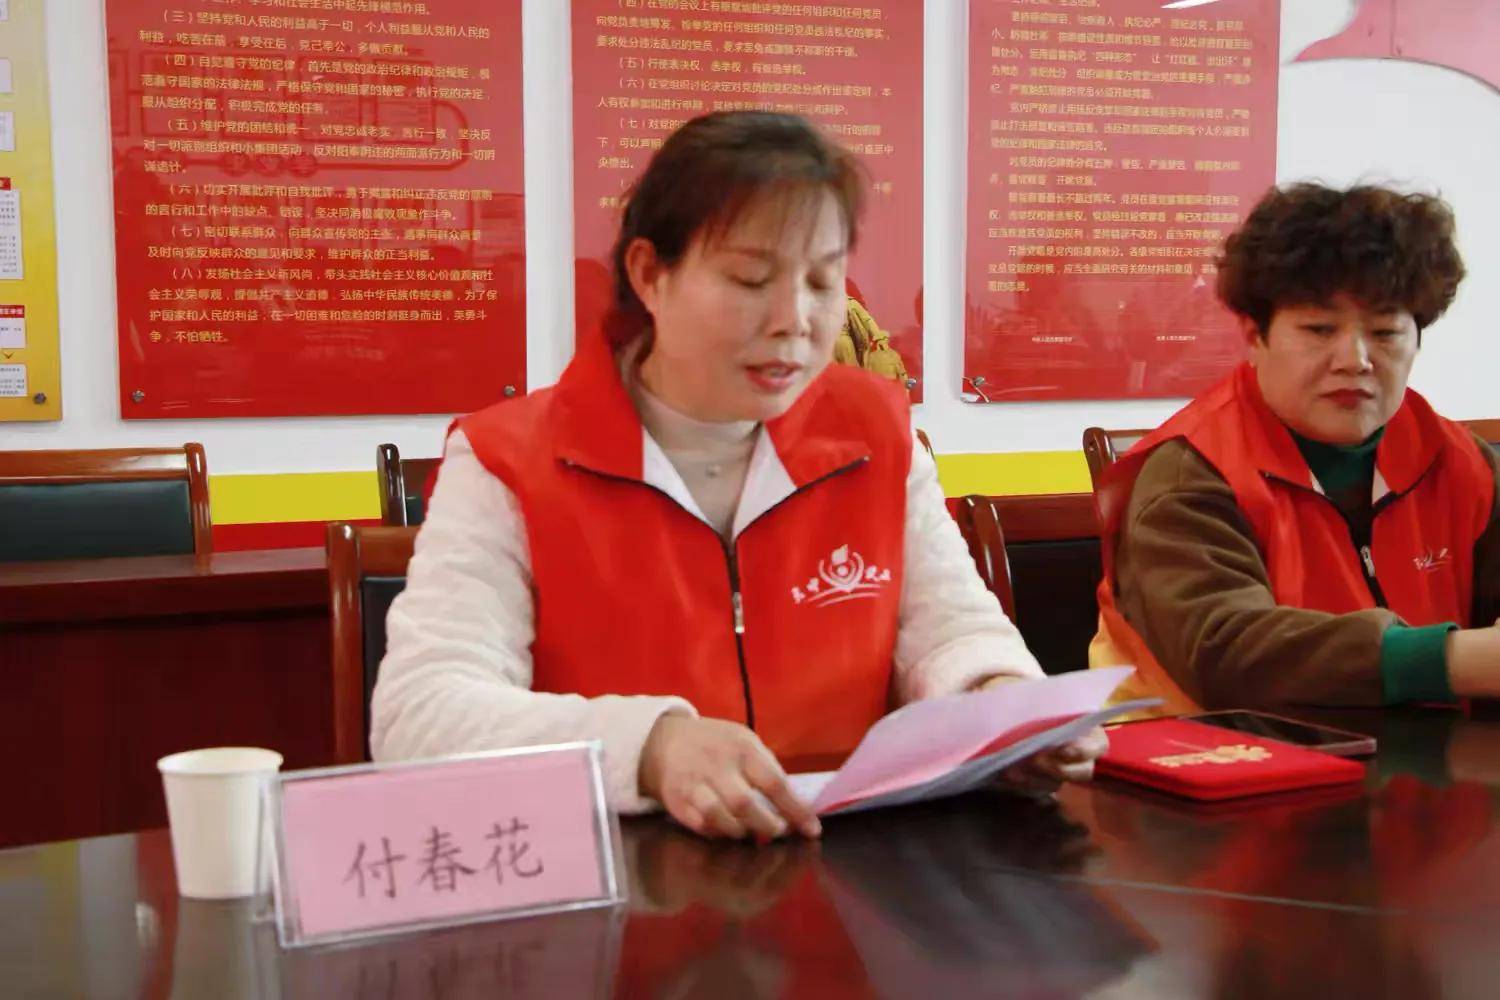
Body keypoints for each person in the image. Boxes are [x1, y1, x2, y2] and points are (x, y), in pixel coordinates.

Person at [372, 112, 1107, 840]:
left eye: (822, 281)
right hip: (626, 873)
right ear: (649, 275)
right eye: (751, 279)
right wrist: (649, 747)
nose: (794, 319)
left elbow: (950, 630)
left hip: (845, 870)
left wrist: (1002, 701)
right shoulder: (507, 461)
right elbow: (421, 714)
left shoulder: (877, 436)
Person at [1092, 182, 1500, 714]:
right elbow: (1225, 652)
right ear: (1254, 336)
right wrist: (1454, 660)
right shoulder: (1190, 473)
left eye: (1385, 333)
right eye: (1319, 330)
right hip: (1218, 756)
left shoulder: (1464, 463)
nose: (1355, 360)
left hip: (1426, 757)